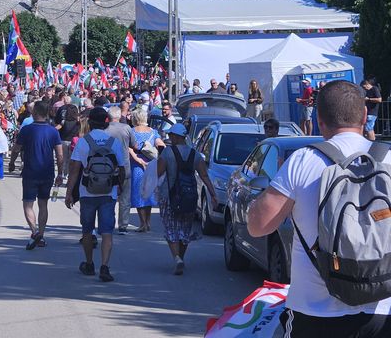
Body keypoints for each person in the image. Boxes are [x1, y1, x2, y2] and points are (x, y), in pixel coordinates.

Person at [248, 80, 391, 337]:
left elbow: (258, 226)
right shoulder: (389, 159)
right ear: (364, 115)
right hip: (382, 310)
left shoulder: (303, 160)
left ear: (318, 119)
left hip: (314, 312)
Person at [64, 107, 126, 282]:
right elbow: (121, 169)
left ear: (90, 122)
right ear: (106, 122)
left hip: (87, 192)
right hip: (108, 192)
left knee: (87, 230)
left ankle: (89, 263)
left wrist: (69, 193)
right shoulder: (114, 142)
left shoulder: (83, 142)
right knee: (107, 232)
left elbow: (74, 170)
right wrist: (119, 187)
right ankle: (104, 266)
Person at [156, 123, 216, 275]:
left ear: (176, 137)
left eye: (171, 135)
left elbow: (158, 172)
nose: (170, 138)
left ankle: (177, 258)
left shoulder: (167, 153)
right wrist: (213, 194)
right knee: (185, 228)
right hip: (189, 197)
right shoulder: (195, 154)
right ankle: (181, 258)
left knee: (171, 228)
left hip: (169, 197)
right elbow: (204, 176)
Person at [8, 100, 63, 249]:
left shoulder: (27, 130)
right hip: (47, 172)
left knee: (28, 204)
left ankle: (34, 232)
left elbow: (16, 149)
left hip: (30, 171)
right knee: (43, 204)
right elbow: (59, 154)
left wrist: (12, 162)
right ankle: (41, 235)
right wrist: (60, 173)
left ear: (35, 112)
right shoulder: (53, 131)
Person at [129, 108, 164, 232]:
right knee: (149, 193)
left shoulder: (132, 132)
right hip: (151, 165)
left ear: (134, 118)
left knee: (138, 193)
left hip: (137, 165)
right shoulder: (153, 132)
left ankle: (142, 223)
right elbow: (161, 145)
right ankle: (148, 222)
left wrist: (138, 160)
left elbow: (129, 149)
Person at [105, 106, 137, 234]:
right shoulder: (126, 128)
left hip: (108, 167)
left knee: (109, 197)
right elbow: (134, 145)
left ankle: (108, 223)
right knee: (125, 198)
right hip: (124, 165)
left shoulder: (105, 129)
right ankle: (123, 225)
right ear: (119, 116)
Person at [56, 104, 80, 180]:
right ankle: (69, 174)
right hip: (74, 142)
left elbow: (56, 128)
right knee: (71, 160)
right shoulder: (78, 122)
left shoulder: (64, 121)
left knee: (64, 159)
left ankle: (63, 173)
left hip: (63, 141)